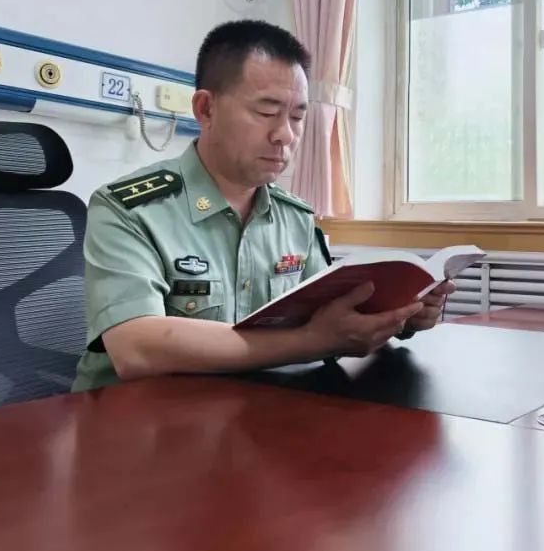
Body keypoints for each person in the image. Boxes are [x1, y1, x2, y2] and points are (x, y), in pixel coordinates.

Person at [73, 20, 454, 391]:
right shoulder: (128, 209)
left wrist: (402, 314)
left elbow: (334, 316)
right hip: (135, 420)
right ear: (206, 109)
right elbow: (136, 348)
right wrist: (311, 341)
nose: (284, 135)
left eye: (297, 116)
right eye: (267, 112)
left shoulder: (294, 217)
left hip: (251, 411)